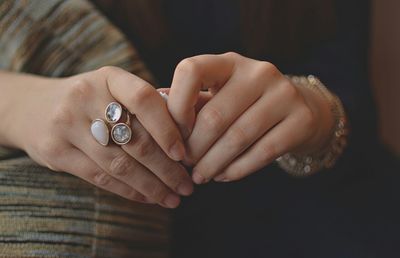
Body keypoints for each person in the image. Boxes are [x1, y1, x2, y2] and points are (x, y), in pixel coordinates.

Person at [0, 0, 398, 257]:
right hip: (93, 220)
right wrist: (17, 104)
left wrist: (312, 109)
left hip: (319, 211)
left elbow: (350, 91)